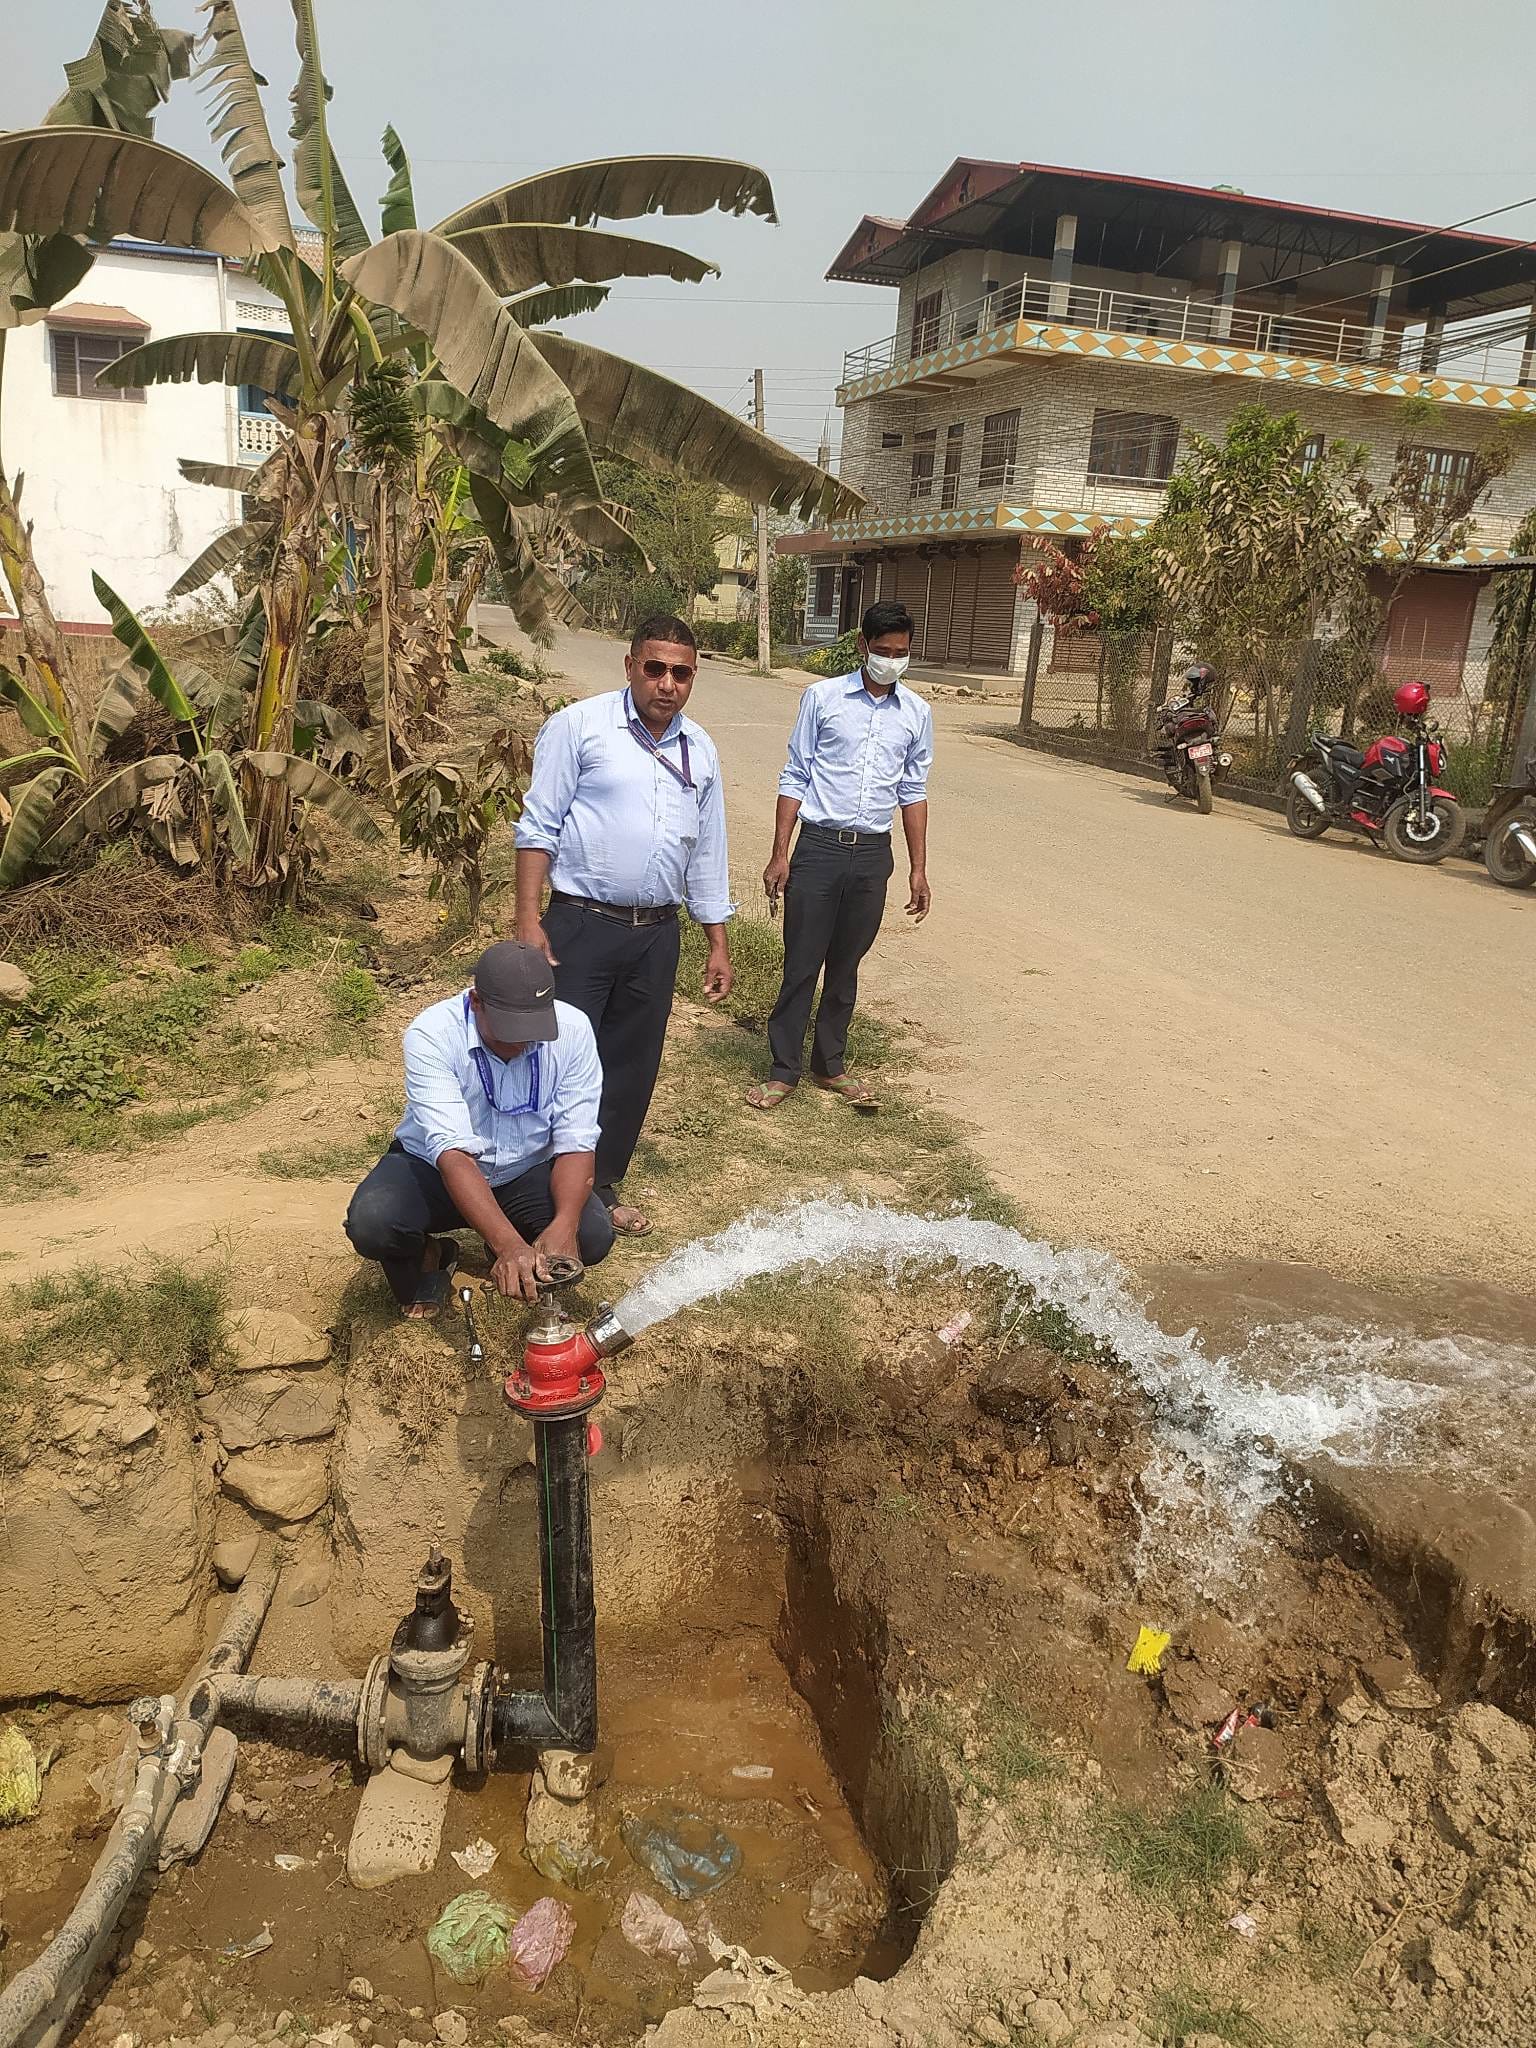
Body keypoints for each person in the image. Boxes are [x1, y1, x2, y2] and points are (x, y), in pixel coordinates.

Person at [513, 614, 733, 1236]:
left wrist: (715, 940)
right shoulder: (579, 728)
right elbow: (538, 828)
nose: (667, 683)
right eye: (655, 668)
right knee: (559, 1057)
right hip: (580, 923)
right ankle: (535, 1184)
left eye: (681, 673)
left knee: (632, 1063)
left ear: (693, 678)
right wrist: (529, 921)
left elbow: (707, 851)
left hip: (657, 934)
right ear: (631, 666)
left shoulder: (701, 749)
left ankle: (598, 1186)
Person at [345, 940, 614, 1315]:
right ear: (476, 1002)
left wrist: (565, 1224)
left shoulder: (573, 1030)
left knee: (592, 1234)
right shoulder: (432, 1034)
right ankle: (430, 1252)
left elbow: (577, 1138)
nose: (520, 1042)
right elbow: (452, 1153)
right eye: (508, 1029)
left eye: (531, 1028)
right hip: (436, 1170)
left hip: (525, 1170)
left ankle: (516, 1243)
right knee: (374, 1223)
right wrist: (509, 1245)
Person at [747, 599, 933, 1115]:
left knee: (846, 964)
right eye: (882, 651)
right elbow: (795, 775)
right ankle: (784, 1069)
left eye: (900, 653)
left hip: (873, 854)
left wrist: (918, 868)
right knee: (802, 962)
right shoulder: (822, 698)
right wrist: (779, 853)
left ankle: (831, 1064)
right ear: (862, 647)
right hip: (820, 849)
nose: (891, 660)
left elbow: (913, 792)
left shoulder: (917, 714)